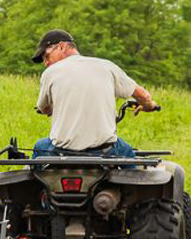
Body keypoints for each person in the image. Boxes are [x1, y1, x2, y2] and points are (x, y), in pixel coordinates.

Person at [31, 29, 157, 158]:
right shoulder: (106, 66)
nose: (46, 63)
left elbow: (44, 108)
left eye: (46, 56)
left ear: (62, 46)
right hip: (105, 150)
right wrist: (148, 105)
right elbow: (144, 96)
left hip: (61, 151)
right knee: (128, 156)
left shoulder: (50, 73)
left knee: (39, 147)